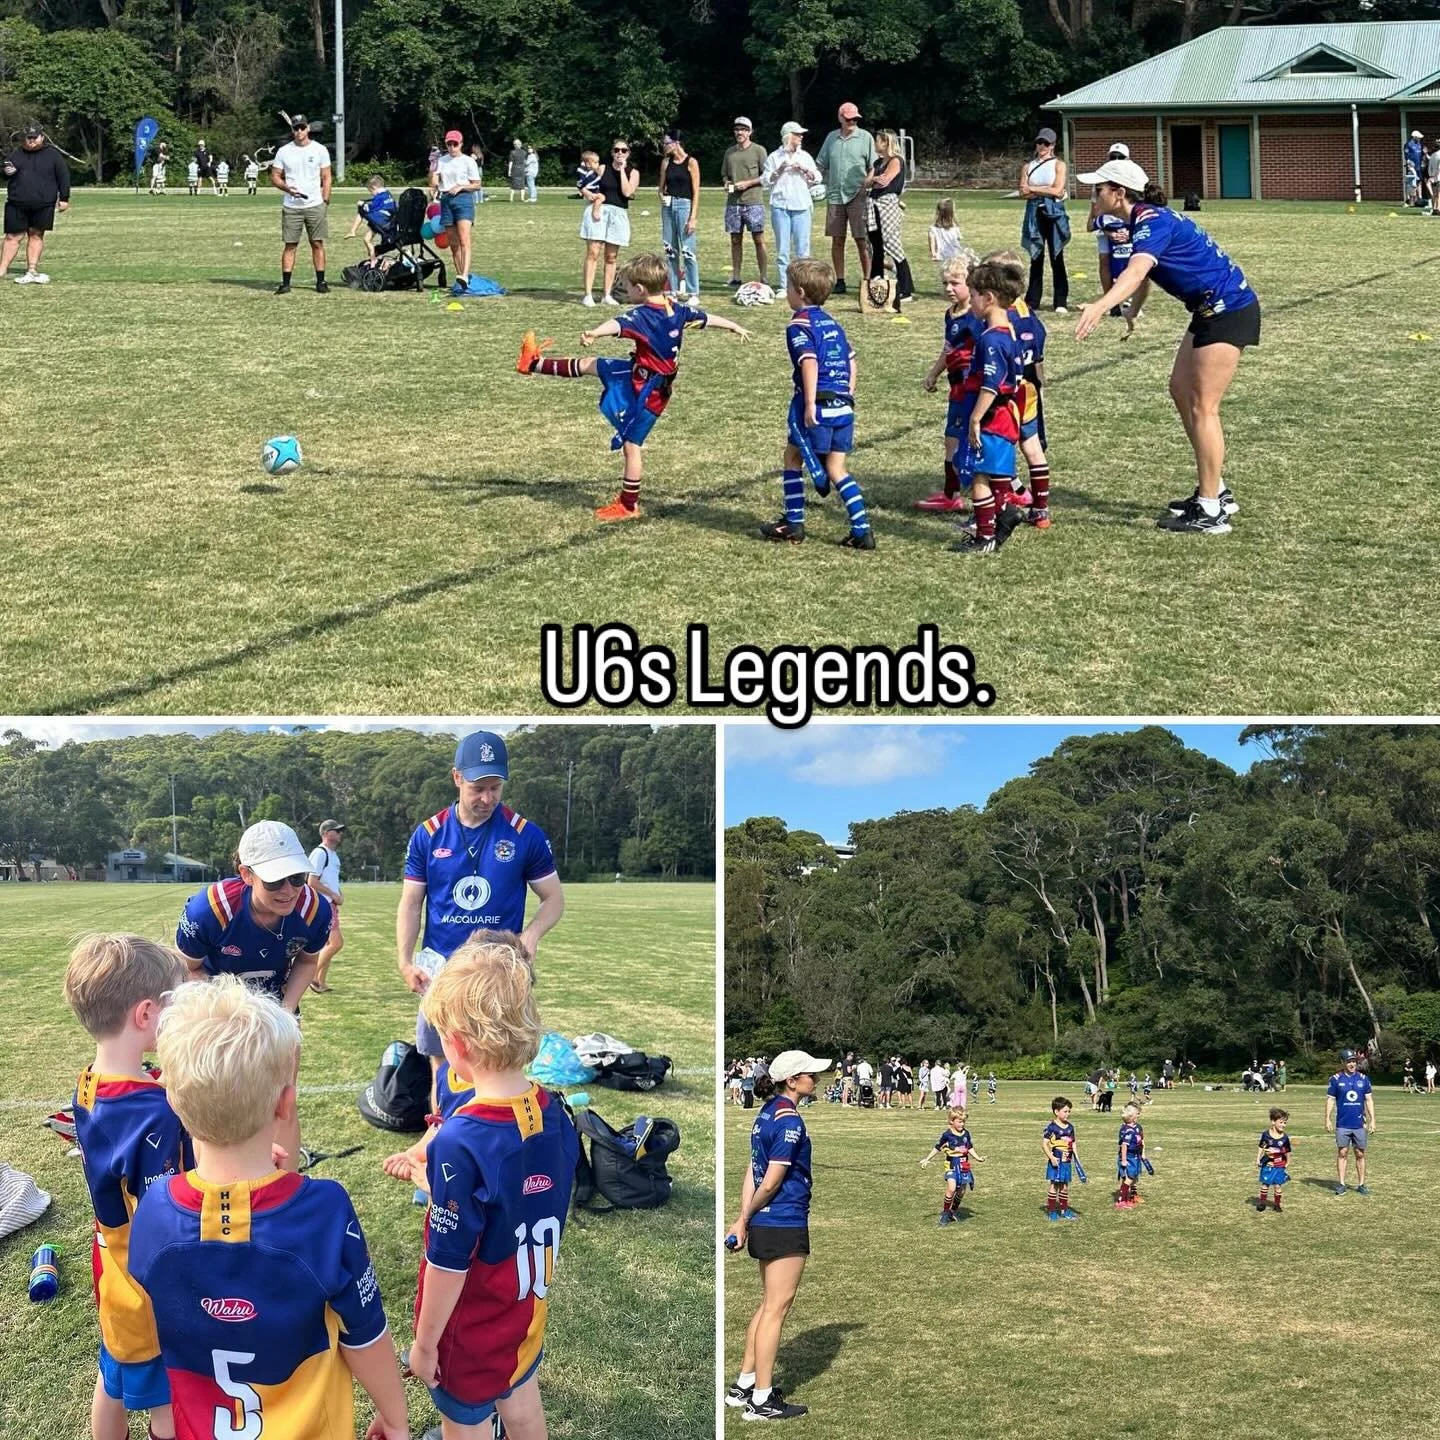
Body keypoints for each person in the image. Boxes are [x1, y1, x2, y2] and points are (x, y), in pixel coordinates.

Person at [128, 978, 410, 1440]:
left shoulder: (155, 1210)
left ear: (175, 1102)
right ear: (285, 1103)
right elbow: (365, 1335)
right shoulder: (323, 1209)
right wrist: (396, 1417)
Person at [404, 937, 578, 1439]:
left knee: (468, 1422)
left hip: (474, 1324)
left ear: (456, 1044)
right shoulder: (555, 1111)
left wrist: (425, 1342)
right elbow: (521, 1194)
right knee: (521, 1402)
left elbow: (448, 1260)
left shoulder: (462, 1139)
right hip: (525, 1308)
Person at [1076, 157, 1260, 535]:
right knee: (1180, 390)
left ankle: (1211, 510)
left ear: (1119, 193)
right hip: (1209, 311)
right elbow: (1143, 276)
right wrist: (1131, 311)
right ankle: (1216, 489)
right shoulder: (1141, 221)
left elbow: (1137, 270)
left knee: (1204, 406)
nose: (1093, 196)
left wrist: (1100, 305)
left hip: (1228, 310)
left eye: (1098, 189)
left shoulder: (1152, 221)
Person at [65, 935, 190, 1440]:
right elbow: (167, 1208)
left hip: (109, 1261)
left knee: (113, 1374)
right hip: (147, 1281)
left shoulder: (91, 1081)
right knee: (166, 1401)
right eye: (172, 1006)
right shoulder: (153, 1113)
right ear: (145, 1015)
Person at [395, 730, 565, 1103]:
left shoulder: (525, 835)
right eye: (478, 788)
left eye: (495, 788)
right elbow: (411, 903)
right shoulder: (428, 835)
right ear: (457, 778)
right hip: (442, 969)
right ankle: (442, 1135)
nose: (487, 798)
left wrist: (531, 936)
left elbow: (553, 899)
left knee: (500, 1064)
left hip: (499, 969)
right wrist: (406, 961)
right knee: (442, 1063)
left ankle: (492, 1139)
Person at [517, 252, 750, 522]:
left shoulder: (643, 315)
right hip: (638, 374)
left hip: (648, 392)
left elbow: (618, 324)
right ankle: (532, 363)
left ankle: (628, 505)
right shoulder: (676, 308)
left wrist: (595, 332)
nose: (624, 290)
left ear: (640, 289)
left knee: (632, 445)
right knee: (594, 364)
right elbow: (706, 318)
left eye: (626, 286)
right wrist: (733, 325)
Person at [174, 819, 332, 1169]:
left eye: (298, 877)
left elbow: (308, 961)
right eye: (276, 880)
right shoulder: (211, 910)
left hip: (275, 1004)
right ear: (246, 874)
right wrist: (222, 1012)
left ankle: (283, 1187)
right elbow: (188, 967)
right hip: (216, 1008)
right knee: (212, 1101)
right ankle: (213, 1187)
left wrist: (285, 1012)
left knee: (282, 1100)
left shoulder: (314, 910)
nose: (289, 890)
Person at [725, 1049, 831, 1422]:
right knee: (777, 1308)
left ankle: (744, 1385)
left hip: (765, 1222)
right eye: (809, 1075)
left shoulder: (765, 1114)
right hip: (784, 1220)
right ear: (792, 1081)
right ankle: (762, 1399)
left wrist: (743, 1219)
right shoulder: (790, 1121)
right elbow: (768, 1182)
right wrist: (745, 1217)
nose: (815, 1080)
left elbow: (749, 1172)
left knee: (767, 1304)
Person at [758, 258, 874, 550]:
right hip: (843, 404)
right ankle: (862, 529)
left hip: (818, 404)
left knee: (793, 457)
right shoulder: (831, 322)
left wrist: (809, 403)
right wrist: (848, 394)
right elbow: (851, 360)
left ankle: (794, 522)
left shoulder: (799, 325)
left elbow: (808, 362)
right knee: (838, 468)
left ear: (799, 292)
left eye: (787, 287)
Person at [954, 258, 1026, 558]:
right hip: (1006, 417)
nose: (970, 301)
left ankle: (985, 536)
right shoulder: (1009, 331)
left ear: (989, 298)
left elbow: (991, 383)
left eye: (972, 295)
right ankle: (1005, 513)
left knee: (979, 479)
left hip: (993, 417)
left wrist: (975, 418)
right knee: (996, 476)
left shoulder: (992, 340)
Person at [919, 257, 981, 514]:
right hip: (956, 387)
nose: (948, 288)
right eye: (945, 283)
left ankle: (970, 492)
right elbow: (948, 347)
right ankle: (952, 493)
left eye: (955, 283)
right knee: (951, 440)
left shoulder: (976, 317)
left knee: (965, 440)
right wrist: (934, 373)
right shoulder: (951, 314)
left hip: (971, 388)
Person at [815, 102, 875, 296]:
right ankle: (840, 280)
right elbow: (820, 164)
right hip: (835, 195)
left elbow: (873, 165)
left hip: (858, 195)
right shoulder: (831, 138)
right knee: (837, 239)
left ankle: (868, 280)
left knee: (861, 240)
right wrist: (813, 180)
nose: (852, 122)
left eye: (855, 119)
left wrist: (867, 182)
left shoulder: (865, 137)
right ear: (840, 117)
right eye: (849, 118)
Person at [1, 122, 71, 285]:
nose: (31, 141)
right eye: (28, 138)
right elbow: (4, 171)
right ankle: (2, 269)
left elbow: (63, 176)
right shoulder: (16, 154)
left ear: (42, 137)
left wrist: (64, 198)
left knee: (36, 234)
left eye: (34, 137)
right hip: (17, 203)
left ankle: (32, 269)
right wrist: (5, 171)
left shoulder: (53, 155)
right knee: (12, 237)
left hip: (43, 203)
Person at [270, 114, 332, 294]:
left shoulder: (319, 150)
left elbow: (327, 176)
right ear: (292, 130)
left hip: (314, 204)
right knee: (290, 244)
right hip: (292, 206)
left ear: (308, 129)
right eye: (296, 128)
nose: (299, 131)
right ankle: (286, 283)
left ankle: (321, 282)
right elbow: (275, 176)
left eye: (302, 127)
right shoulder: (284, 151)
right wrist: (287, 188)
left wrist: (325, 198)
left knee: (317, 243)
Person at [579, 139, 640, 307]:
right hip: (599, 211)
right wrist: (585, 193)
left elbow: (627, 192)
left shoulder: (633, 172)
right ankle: (588, 294)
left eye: (623, 150)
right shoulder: (603, 168)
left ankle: (607, 294)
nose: (620, 153)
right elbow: (585, 181)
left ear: (628, 153)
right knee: (593, 253)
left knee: (611, 257)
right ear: (612, 152)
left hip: (618, 214)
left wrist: (621, 171)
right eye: (616, 150)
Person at [762, 122, 818, 296]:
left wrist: (804, 169)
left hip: (802, 205)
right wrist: (779, 170)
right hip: (781, 206)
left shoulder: (805, 156)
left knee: (803, 249)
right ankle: (784, 286)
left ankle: (804, 286)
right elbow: (765, 181)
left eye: (801, 134)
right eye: (797, 134)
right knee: (783, 249)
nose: (801, 137)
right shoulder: (774, 157)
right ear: (788, 136)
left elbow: (817, 177)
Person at [1019, 128, 1070, 313]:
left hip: (1053, 213)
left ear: (1053, 145)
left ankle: (1060, 301)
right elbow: (1022, 192)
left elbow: (1058, 190)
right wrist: (1043, 189)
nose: (1042, 146)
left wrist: (1033, 189)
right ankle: (1032, 300)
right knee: (1036, 257)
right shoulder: (1028, 166)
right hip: (1034, 214)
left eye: (1046, 143)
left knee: (1057, 256)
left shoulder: (1059, 165)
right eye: (1040, 142)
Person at [863, 129, 913, 305]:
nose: (875, 144)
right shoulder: (877, 162)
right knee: (875, 246)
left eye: (877, 141)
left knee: (892, 244)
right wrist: (875, 179)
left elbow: (885, 180)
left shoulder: (895, 160)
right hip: (873, 205)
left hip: (887, 205)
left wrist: (875, 179)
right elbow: (867, 182)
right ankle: (878, 285)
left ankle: (906, 289)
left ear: (885, 143)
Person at [432, 129, 481, 295]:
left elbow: (477, 184)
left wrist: (461, 186)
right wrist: (432, 167)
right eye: (449, 144)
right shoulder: (442, 161)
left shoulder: (468, 161)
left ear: (461, 144)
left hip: (463, 200)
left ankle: (465, 274)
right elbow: (434, 183)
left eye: (455, 144)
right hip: (446, 200)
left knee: (464, 239)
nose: (452, 147)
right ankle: (461, 277)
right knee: (453, 244)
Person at [721, 117, 768, 286]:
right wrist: (727, 183)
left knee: (759, 239)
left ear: (750, 131)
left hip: (754, 201)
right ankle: (736, 275)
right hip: (734, 203)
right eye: (737, 129)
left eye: (743, 129)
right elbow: (725, 174)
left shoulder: (759, 151)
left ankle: (764, 276)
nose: (739, 132)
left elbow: (766, 176)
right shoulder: (729, 152)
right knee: (735, 240)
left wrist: (748, 183)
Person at [1089, 142, 1133, 317]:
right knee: (1105, 261)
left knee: (1130, 264)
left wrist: (1130, 231)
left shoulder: (1133, 180)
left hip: (1128, 228)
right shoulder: (1101, 182)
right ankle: (1110, 300)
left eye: (1119, 157)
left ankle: (1130, 299)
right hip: (1105, 227)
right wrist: (1107, 231)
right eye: (1112, 157)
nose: (1115, 161)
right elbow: (1094, 211)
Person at [920, 1105, 983, 1224]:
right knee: (952, 1188)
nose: (962, 1124)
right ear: (952, 1121)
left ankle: (952, 1212)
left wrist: (978, 1158)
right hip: (951, 1164)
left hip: (964, 1164)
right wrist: (927, 1158)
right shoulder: (947, 1135)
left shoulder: (966, 1134)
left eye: (963, 1121)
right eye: (959, 1122)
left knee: (961, 1191)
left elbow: (969, 1147)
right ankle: (945, 1213)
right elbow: (937, 1147)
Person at [1326, 1048, 1376, 1196]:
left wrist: (1373, 1120)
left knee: (1360, 1154)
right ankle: (1341, 1184)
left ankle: (1361, 1184)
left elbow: (1369, 1100)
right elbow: (1330, 1099)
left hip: (1359, 1124)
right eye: (1349, 1061)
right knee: (1342, 1152)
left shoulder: (1363, 1079)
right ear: (1343, 1063)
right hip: (1342, 1124)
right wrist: (1327, 1118)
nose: (1352, 1064)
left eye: (1354, 1061)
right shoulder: (1335, 1079)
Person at [659, 132, 701, 298]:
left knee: (688, 251)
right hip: (668, 207)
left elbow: (696, 192)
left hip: (685, 205)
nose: (664, 146)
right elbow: (661, 188)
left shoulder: (691, 162)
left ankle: (693, 293)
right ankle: (672, 291)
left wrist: (693, 217)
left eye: (666, 143)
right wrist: (662, 197)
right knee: (670, 249)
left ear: (676, 143)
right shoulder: (665, 162)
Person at [307, 819, 345, 992]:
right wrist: (333, 895)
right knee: (336, 943)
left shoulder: (333, 855)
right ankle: (312, 976)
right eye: (336, 831)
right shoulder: (320, 853)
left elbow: (331, 880)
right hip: (323, 904)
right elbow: (312, 881)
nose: (340, 834)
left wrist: (339, 895)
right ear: (326, 833)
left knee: (328, 943)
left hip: (331, 903)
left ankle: (321, 982)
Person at [1042, 1095, 1081, 1221]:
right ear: (1056, 1112)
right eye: (1065, 1111)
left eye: (1069, 1111)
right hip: (1056, 1159)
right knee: (1054, 1185)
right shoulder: (1052, 1127)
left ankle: (1064, 1210)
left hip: (1067, 1160)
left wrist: (1076, 1156)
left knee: (1064, 1186)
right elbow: (1044, 1144)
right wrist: (1051, 1157)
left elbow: (1073, 1142)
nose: (1067, 1114)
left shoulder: (1070, 1127)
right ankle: (1052, 1211)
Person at [347, 174, 397, 259]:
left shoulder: (379, 197)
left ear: (374, 188)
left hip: (380, 221)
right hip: (389, 220)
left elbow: (370, 208)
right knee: (367, 239)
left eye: (371, 192)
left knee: (361, 210)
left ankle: (353, 231)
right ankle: (373, 257)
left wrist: (362, 204)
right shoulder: (387, 194)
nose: (371, 194)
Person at [1256, 1106, 1291, 1212]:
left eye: (1285, 1123)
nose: (1283, 1125)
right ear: (1273, 1122)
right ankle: (1262, 1203)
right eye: (1281, 1122)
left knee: (1277, 1186)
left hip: (1279, 1165)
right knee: (1265, 1184)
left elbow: (1288, 1151)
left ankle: (1277, 1205)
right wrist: (1258, 1159)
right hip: (1268, 1164)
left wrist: (1288, 1161)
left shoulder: (1285, 1138)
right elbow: (1261, 1146)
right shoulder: (1266, 1135)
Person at [1115, 1102, 1145, 1209]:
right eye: (1138, 1113)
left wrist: (1143, 1153)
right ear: (1132, 1116)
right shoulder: (1127, 1130)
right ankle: (1122, 1200)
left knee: (1134, 1177)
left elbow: (1142, 1141)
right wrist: (1123, 1160)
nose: (1139, 1114)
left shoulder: (1138, 1127)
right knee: (1129, 1177)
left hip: (1136, 1155)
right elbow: (1124, 1145)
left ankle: (1131, 1196)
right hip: (1128, 1156)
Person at [928, 198, 967, 272]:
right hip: (955, 257)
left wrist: (933, 254)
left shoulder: (932, 229)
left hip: (942, 258)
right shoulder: (955, 228)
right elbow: (958, 241)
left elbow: (932, 245)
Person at [1404, 130, 1424, 206]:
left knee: (1419, 182)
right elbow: (1406, 157)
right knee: (1412, 183)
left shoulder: (1419, 144)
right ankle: (1411, 201)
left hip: (1419, 167)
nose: (1419, 139)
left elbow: (1420, 155)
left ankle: (1419, 199)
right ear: (1414, 137)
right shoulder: (1408, 144)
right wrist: (1409, 165)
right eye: (1418, 138)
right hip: (1412, 167)